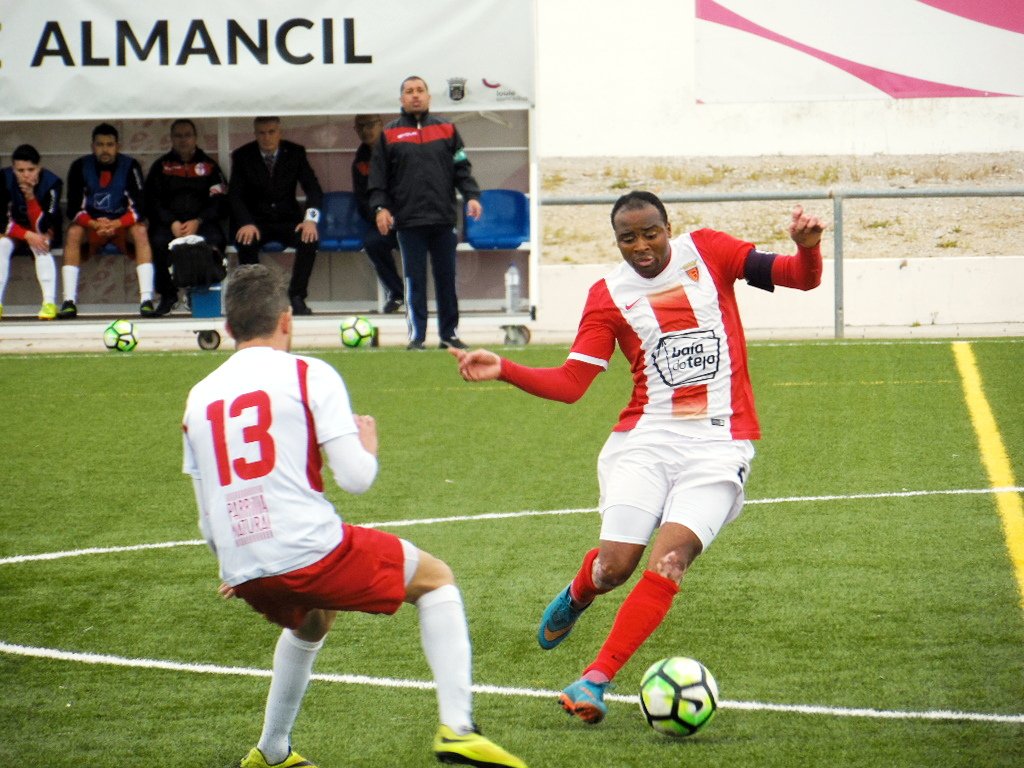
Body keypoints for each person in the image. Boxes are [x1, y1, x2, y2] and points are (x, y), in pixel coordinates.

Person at [452, 191, 825, 725]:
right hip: (646, 442)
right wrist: (505, 369)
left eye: (650, 233)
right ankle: (582, 590)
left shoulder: (710, 251)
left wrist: (807, 247)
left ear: (668, 227)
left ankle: (594, 678)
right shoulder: (609, 295)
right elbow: (572, 384)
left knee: (670, 561)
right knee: (614, 568)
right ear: (617, 242)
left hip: (719, 444)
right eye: (628, 238)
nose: (642, 246)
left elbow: (800, 277)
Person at [181, 263, 528, 768]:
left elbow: (206, 514)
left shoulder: (198, 397)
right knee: (436, 580)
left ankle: (272, 752)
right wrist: (367, 444)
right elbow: (356, 478)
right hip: (304, 550)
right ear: (287, 320)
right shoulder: (308, 374)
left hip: (242, 562)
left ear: (228, 326)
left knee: (314, 619)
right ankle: (458, 729)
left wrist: (238, 561)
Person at [368, 76, 482, 350]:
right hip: (408, 221)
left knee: (446, 280)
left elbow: (462, 168)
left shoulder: (447, 129)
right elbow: (378, 178)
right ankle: (417, 337)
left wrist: (471, 196)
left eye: (420, 90)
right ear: (401, 99)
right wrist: (381, 208)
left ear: (429, 97)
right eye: (409, 91)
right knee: (414, 281)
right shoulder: (389, 134)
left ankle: (449, 335)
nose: (415, 95)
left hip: (443, 219)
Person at [228, 116, 323, 316]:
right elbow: (235, 195)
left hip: (288, 220)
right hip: (256, 221)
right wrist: (245, 222)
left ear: (279, 132)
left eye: (271, 132)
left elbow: (314, 190)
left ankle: (297, 296)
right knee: (245, 240)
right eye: (262, 133)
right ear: (255, 134)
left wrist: (310, 220)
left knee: (309, 239)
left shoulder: (295, 152)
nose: (267, 137)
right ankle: (254, 300)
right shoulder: (242, 155)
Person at [61, 122, 156, 319]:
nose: (105, 149)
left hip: (121, 224)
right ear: (92, 146)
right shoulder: (80, 166)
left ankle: (146, 300)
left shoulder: (130, 166)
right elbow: (73, 209)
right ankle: (68, 301)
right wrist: (95, 224)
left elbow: (140, 208)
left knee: (141, 231)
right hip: (91, 225)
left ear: (118, 146)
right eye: (100, 144)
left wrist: (116, 223)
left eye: (110, 144)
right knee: (73, 232)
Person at [144, 118, 228, 316]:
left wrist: (199, 221)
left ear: (195, 138)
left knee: (215, 239)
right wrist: (171, 221)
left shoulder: (209, 166)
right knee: (157, 241)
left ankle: (199, 292)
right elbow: (151, 201)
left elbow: (220, 201)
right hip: (169, 224)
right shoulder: (161, 166)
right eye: (178, 136)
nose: (183, 140)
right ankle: (168, 295)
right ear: (171, 138)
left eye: (187, 135)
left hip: (202, 223)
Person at [0, 144, 61, 320]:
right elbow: (1, 221)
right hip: (14, 231)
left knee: (42, 244)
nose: (26, 175)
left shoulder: (52, 183)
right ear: (13, 169)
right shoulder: (3, 179)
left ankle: (49, 303)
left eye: (30, 170)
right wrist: (26, 235)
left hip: (39, 231)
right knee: (2, 245)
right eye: (20, 170)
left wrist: (31, 197)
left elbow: (46, 224)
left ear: (39, 168)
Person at [351, 114, 404, 314]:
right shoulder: (360, 160)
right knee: (373, 242)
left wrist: (396, 215)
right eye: (360, 127)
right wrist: (378, 214)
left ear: (381, 124)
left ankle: (416, 295)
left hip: (409, 218)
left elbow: (410, 187)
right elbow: (362, 199)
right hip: (382, 222)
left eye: (370, 125)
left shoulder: (399, 148)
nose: (366, 130)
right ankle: (397, 293)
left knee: (419, 241)